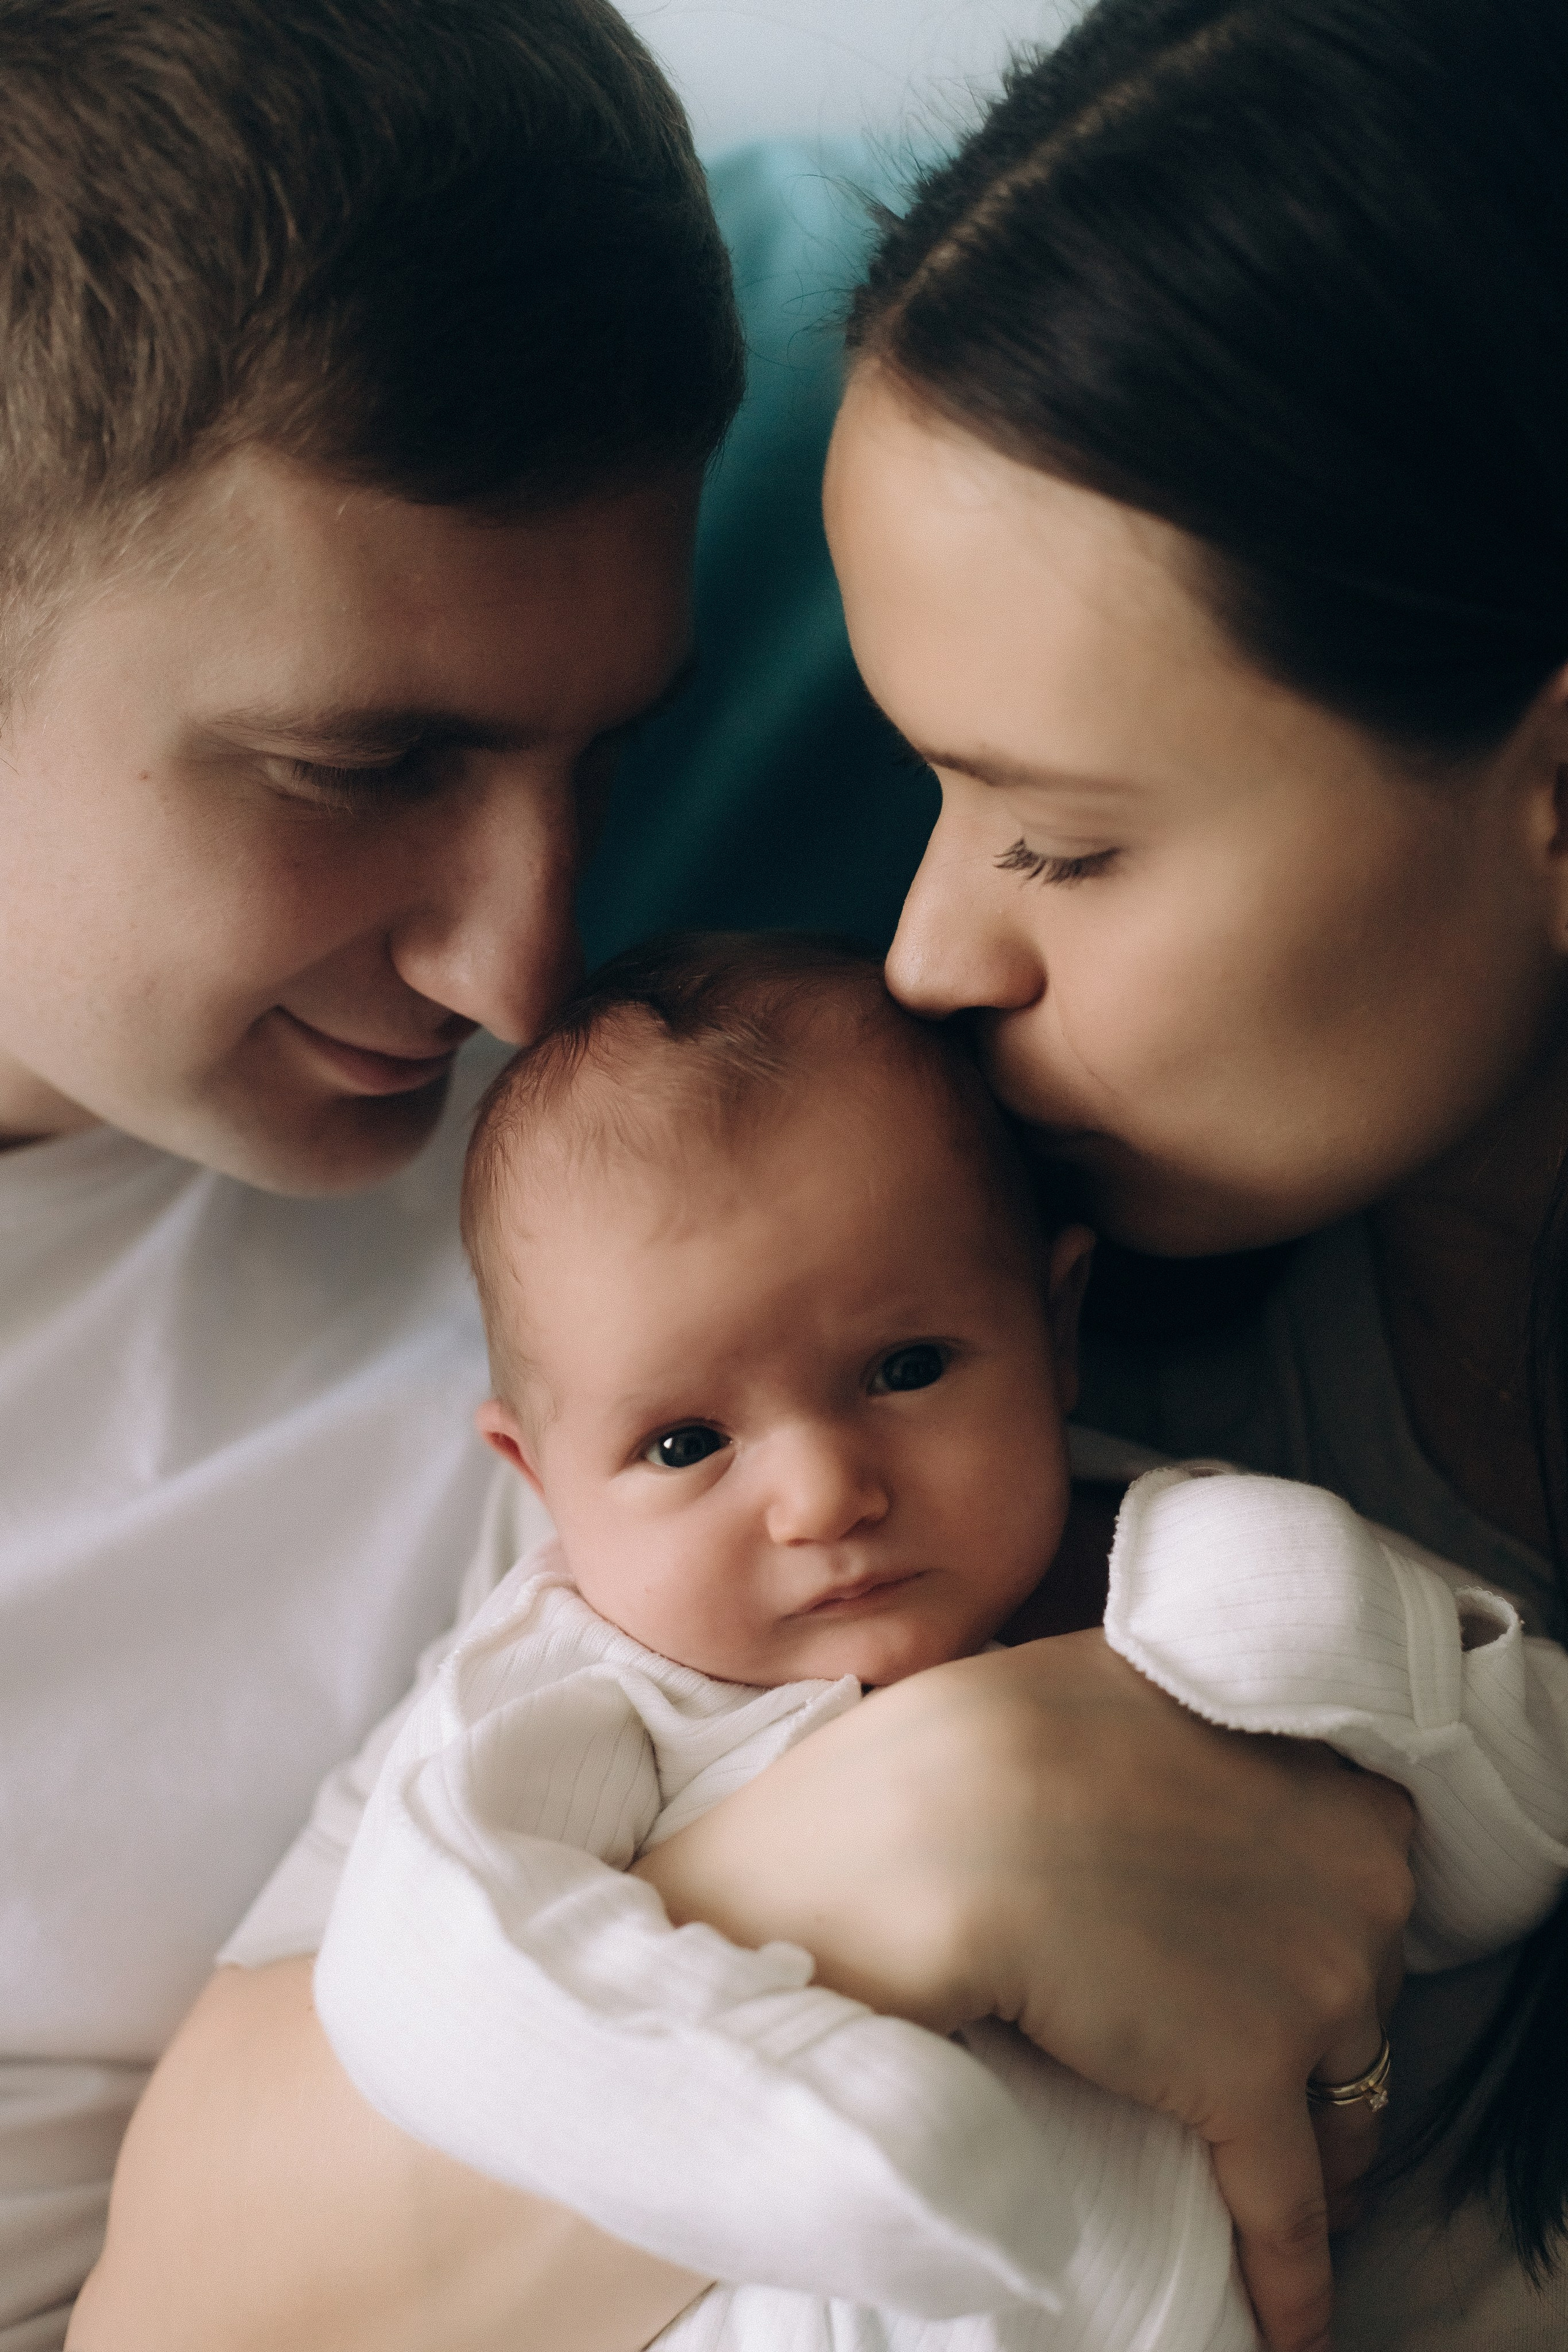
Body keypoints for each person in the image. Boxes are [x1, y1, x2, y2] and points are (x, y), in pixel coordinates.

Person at [38, 9, 1410, 2352]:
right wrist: (864, 1874)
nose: (524, 953)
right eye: (358, 765)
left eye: (609, 758)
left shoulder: (655, 1224)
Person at [301, 930, 1566, 2352]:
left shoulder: (1177, 1565)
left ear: (1055, 1322)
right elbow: (431, 1976)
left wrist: (1312, 1624)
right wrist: (812, 2125)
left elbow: (1503, 1836)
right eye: (682, 1443)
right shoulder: (596, 1688)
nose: (824, 1493)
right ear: (535, 1479)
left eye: (905, 1369)